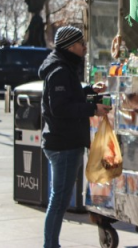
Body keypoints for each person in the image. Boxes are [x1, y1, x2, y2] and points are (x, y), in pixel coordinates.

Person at [38, 26, 110, 248]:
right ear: (70, 46)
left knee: (58, 199)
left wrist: (89, 91)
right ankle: (50, 245)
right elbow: (61, 108)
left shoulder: (63, 66)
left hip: (63, 142)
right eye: (81, 44)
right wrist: (92, 110)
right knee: (59, 200)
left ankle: (51, 244)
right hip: (64, 145)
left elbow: (70, 95)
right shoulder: (59, 69)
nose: (85, 47)